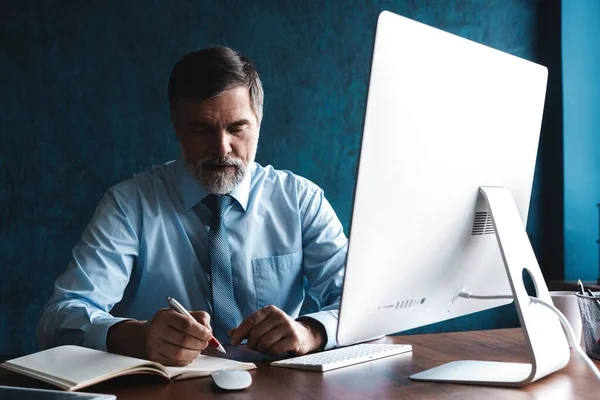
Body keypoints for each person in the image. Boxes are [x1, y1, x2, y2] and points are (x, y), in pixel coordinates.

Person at [36, 46, 347, 367]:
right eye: (201, 128)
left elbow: (361, 306)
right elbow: (59, 318)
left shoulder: (300, 200)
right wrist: (136, 336)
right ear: (176, 124)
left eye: (237, 127)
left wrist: (310, 332)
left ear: (259, 121)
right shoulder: (130, 204)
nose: (221, 147)